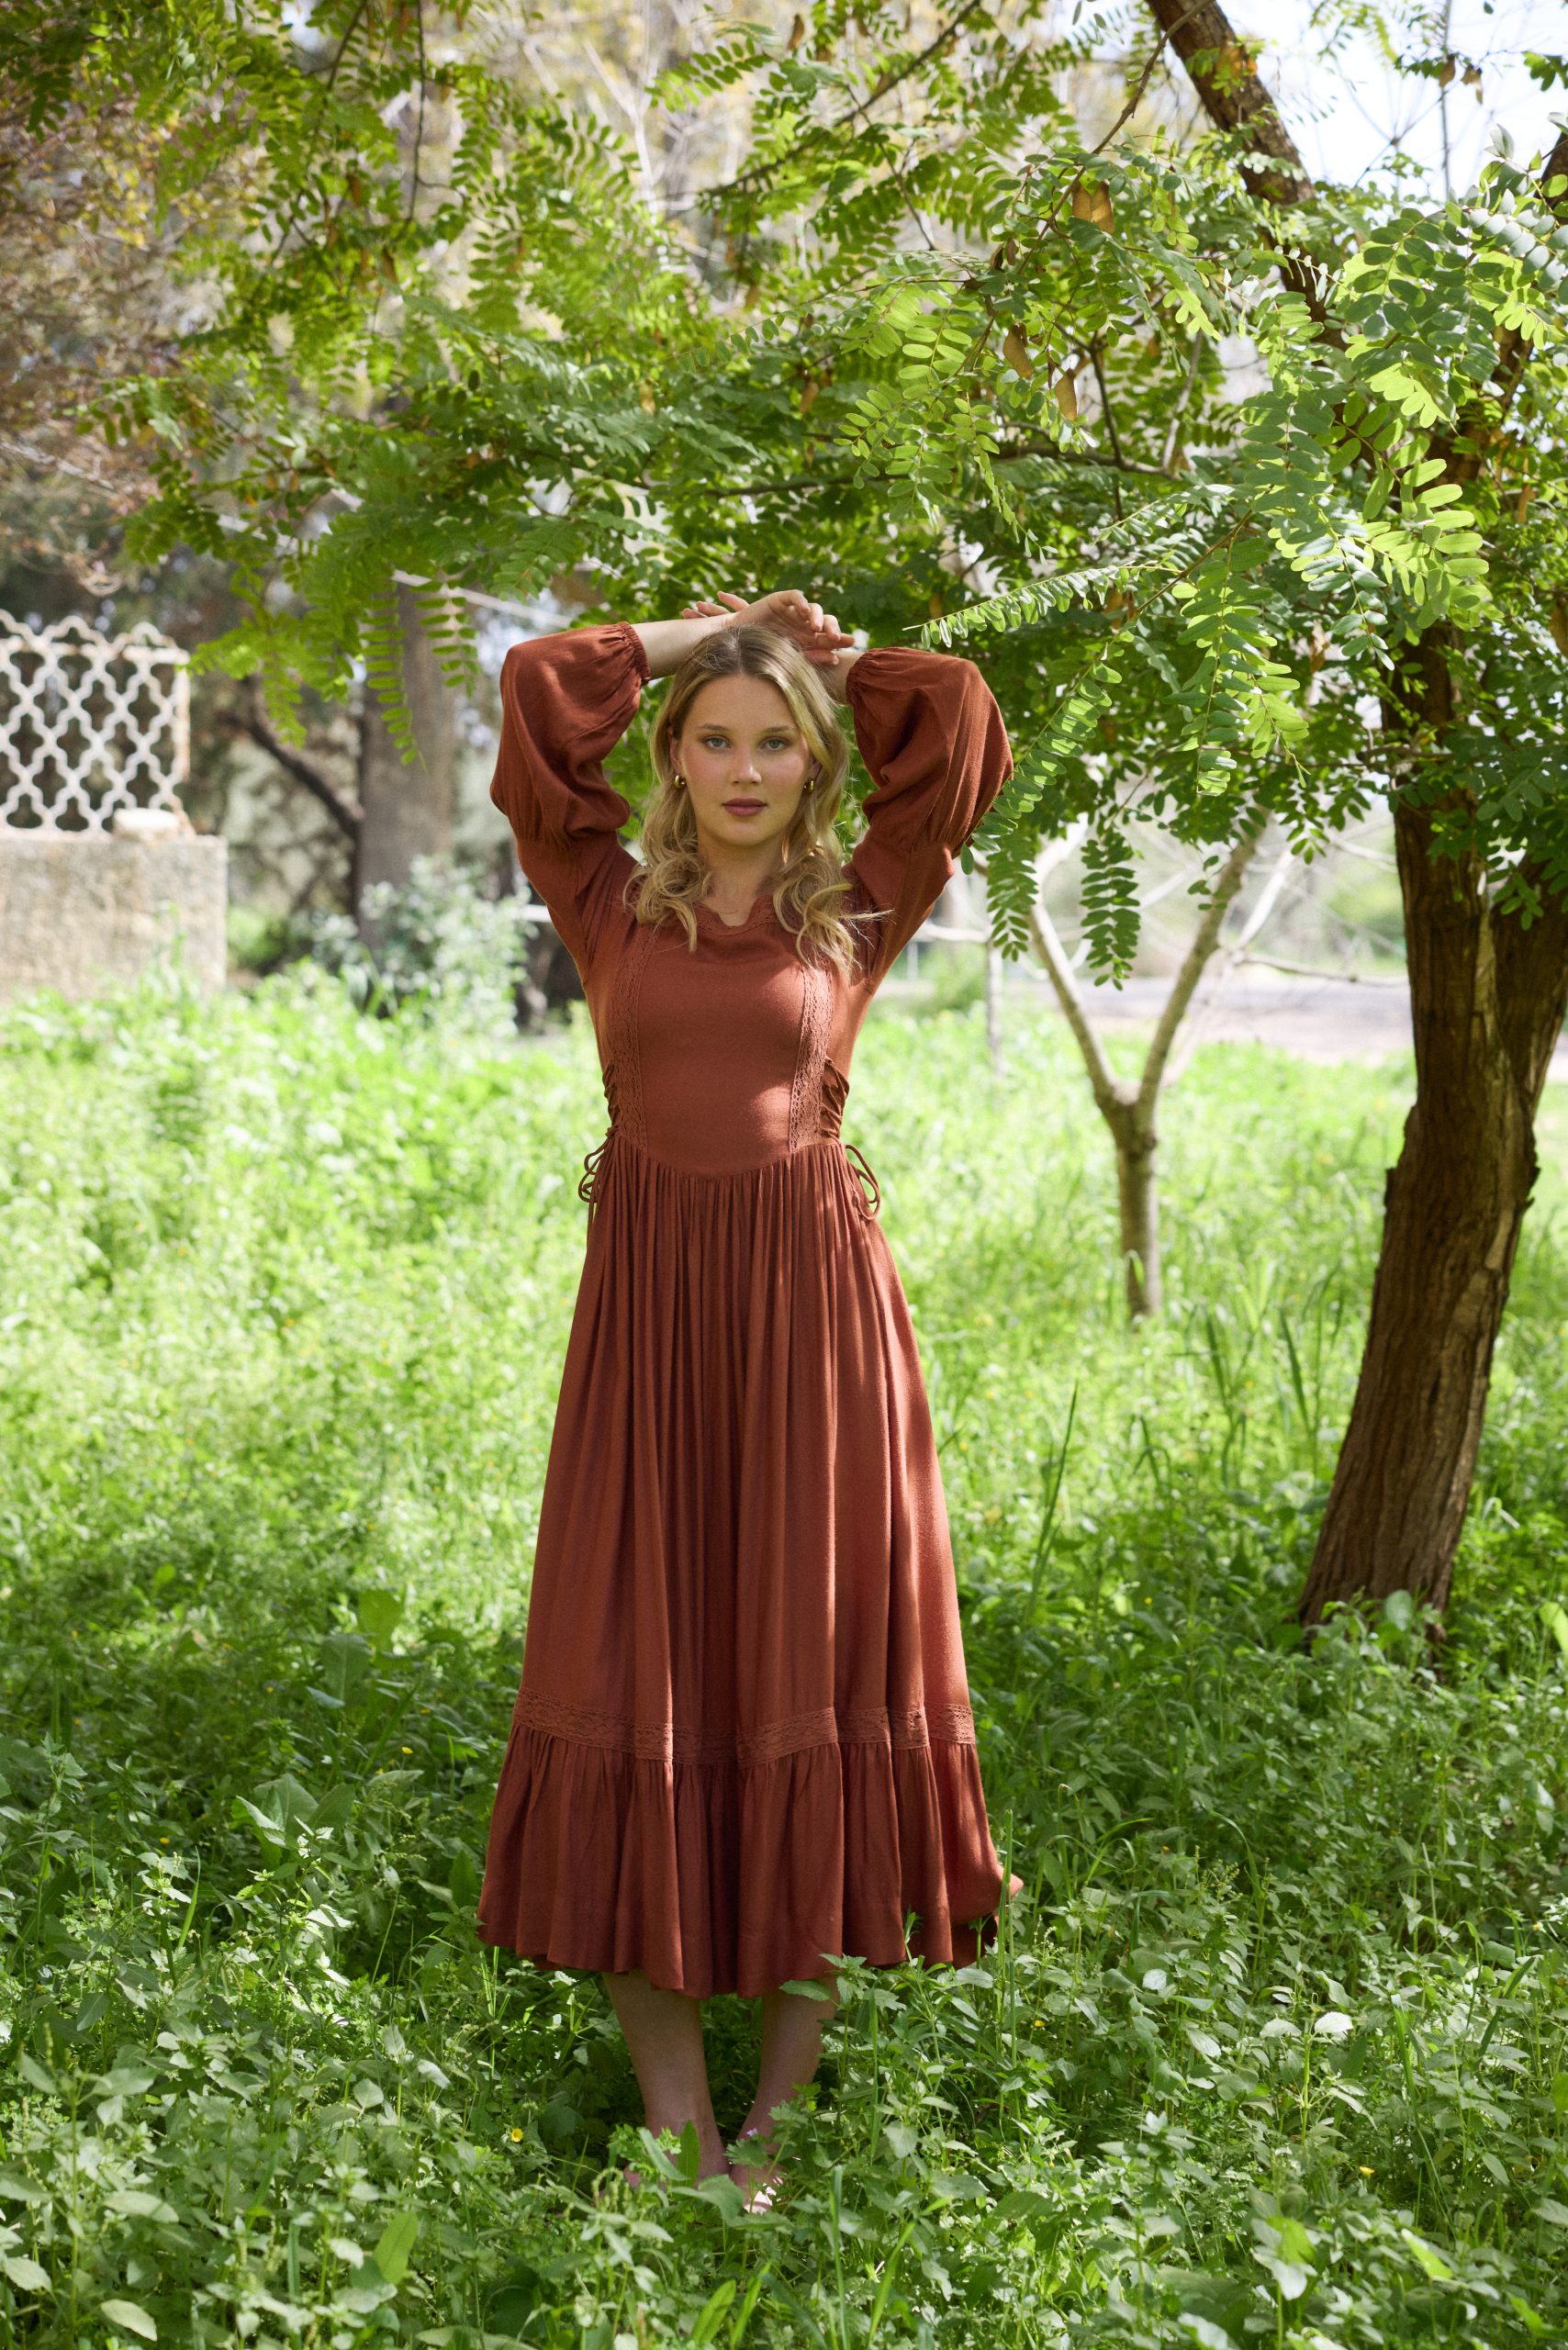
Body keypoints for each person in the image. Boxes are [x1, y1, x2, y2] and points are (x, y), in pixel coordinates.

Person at [476, 587, 1020, 2206]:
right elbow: (533, 691)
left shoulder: (856, 904)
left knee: (810, 1673)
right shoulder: (602, 895)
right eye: (713, 740)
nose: (742, 768)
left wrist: (827, 660)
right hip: (650, 1344)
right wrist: (696, 634)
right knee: (626, 1667)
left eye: (774, 742)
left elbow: (960, 718)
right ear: (672, 757)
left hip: (815, 1343)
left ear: (814, 764)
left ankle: (772, 2132)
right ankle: (678, 2131)